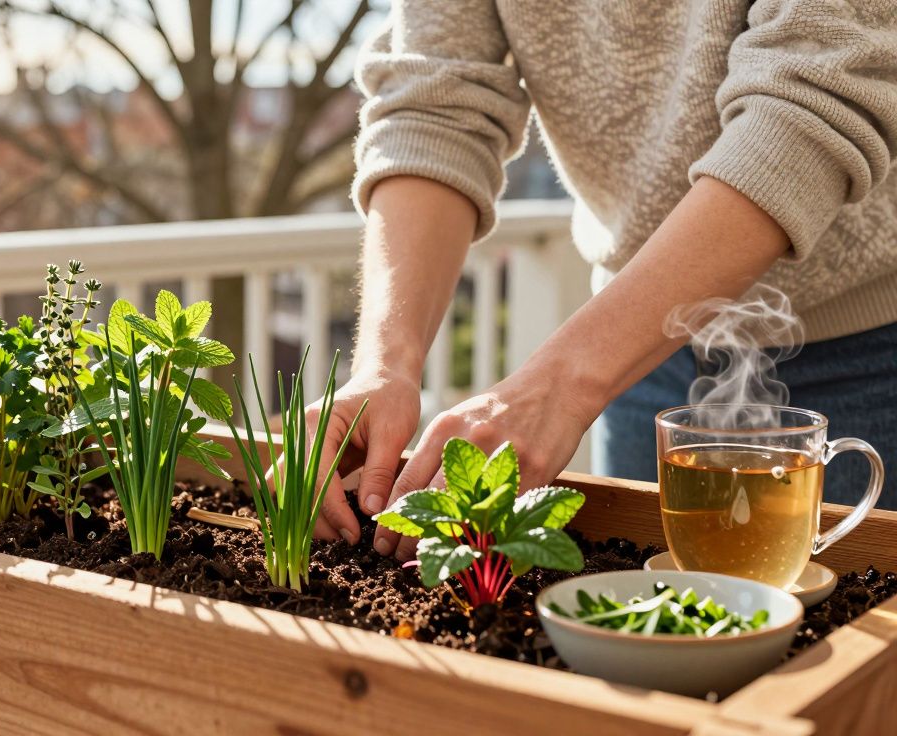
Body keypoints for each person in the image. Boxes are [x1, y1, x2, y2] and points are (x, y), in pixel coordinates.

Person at [313, 0, 897, 561]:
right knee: (650, 631)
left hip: (864, 351)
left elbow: (811, 104)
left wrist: (561, 384)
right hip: (636, 363)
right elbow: (434, 108)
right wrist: (384, 366)